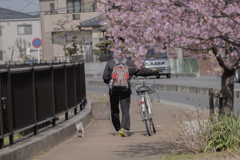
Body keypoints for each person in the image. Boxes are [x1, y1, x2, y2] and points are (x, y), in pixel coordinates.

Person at [102, 54, 158, 137]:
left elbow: (105, 77)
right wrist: (154, 71)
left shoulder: (110, 63)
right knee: (125, 109)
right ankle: (123, 128)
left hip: (113, 91)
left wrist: (112, 82)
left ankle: (118, 129)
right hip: (125, 90)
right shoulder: (130, 63)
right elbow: (141, 71)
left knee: (114, 110)